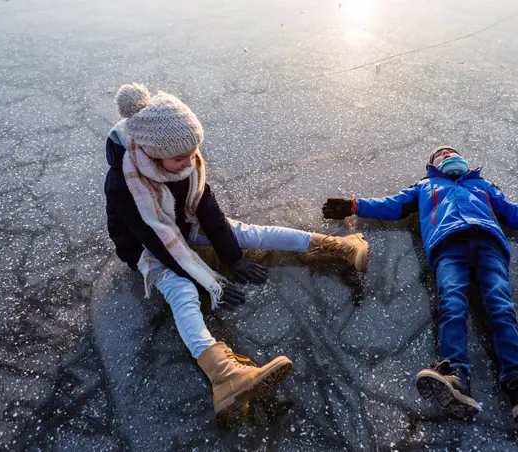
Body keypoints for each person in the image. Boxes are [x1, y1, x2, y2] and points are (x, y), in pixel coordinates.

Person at [104, 83, 369, 420]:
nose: (189, 161)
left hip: (182, 224)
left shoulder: (185, 161)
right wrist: (205, 278)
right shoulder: (125, 182)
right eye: (179, 157)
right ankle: (224, 376)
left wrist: (233, 257)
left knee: (246, 233)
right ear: (152, 153)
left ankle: (339, 246)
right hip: (146, 245)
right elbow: (155, 238)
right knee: (181, 291)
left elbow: (208, 210)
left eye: (193, 152)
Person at [321, 146, 518, 423]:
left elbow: (515, 213)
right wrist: (354, 205)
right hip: (447, 247)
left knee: (500, 306)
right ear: (432, 165)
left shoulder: (482, 185)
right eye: (440, 154)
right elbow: (393, 205)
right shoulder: (425, 186)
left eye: (451, 152)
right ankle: (456, 376)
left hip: (489, 246)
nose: (447, 154)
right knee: (452, 303)